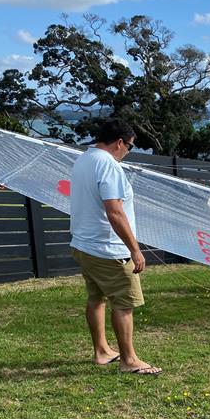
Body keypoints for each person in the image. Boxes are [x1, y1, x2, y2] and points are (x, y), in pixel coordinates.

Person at [69, 119, 161, 375]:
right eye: (129, 147)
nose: (127, 152)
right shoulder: (109, 165)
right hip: (108, 250)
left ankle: (102, 351)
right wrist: (134, 249)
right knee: (124, 302)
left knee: (96, 298)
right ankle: (128, 360)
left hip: (84, 245)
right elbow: (115, 212)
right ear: (120, 142)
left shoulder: (84, 159)